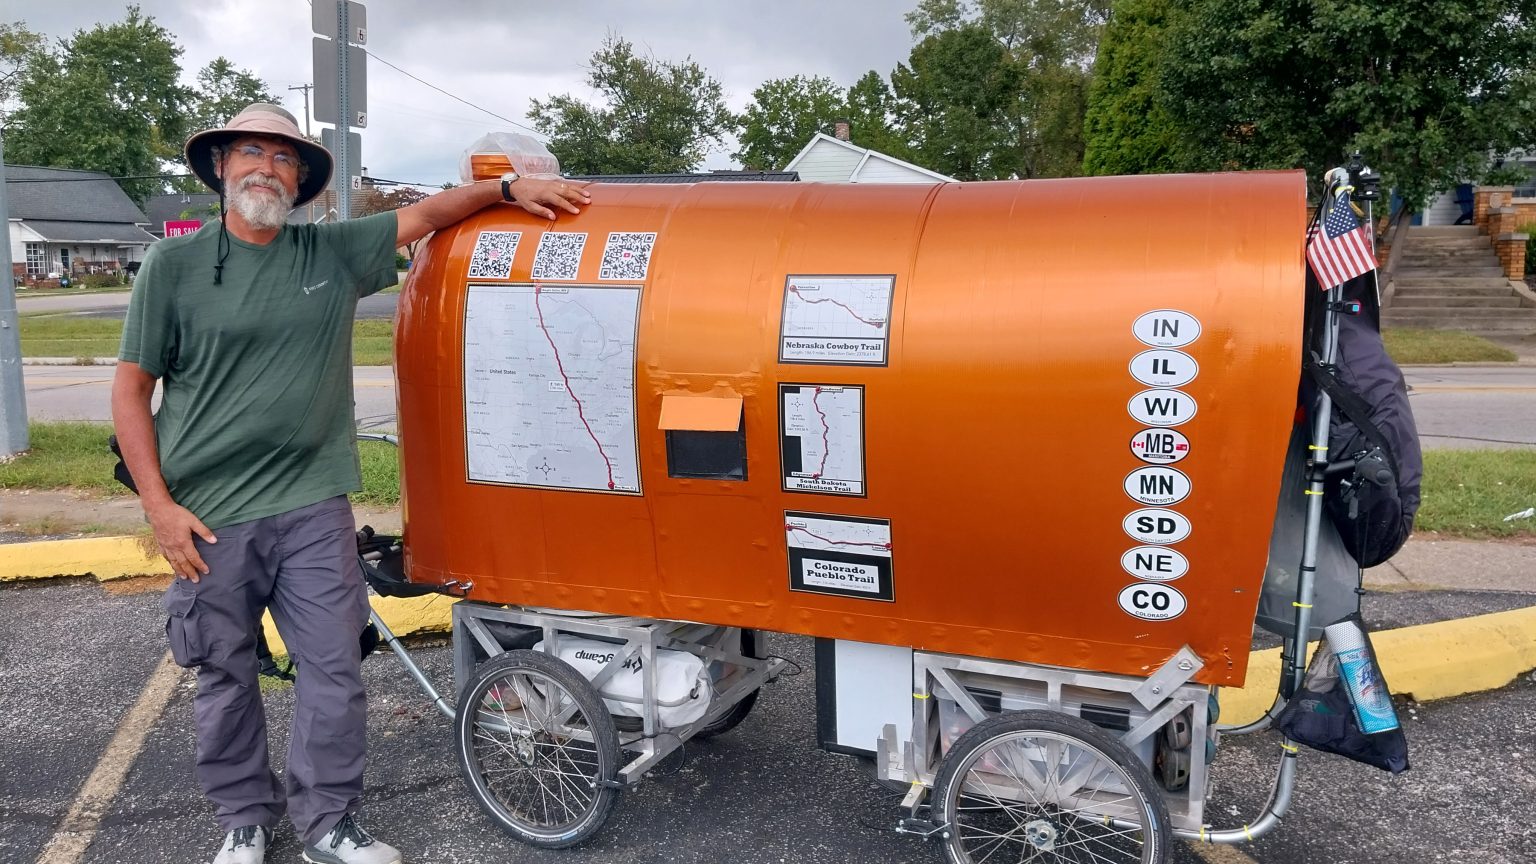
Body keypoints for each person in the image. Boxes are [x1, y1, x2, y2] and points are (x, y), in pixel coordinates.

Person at [110, 103, 590, 864]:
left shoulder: (327, 254)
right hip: (208, 516)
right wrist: (159, 508)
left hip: (311, 506)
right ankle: (244, 818)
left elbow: (428, 214)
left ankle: (328, 823)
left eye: (284, 157)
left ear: (300, 179)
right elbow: (131, 390)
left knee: (334, 669)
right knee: (225, 674)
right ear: (222, 166)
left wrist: (505, 192)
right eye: (251, 152)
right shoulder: (175, 266)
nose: (267, 167)